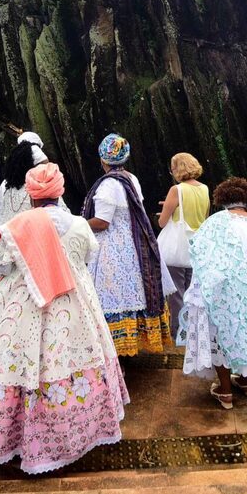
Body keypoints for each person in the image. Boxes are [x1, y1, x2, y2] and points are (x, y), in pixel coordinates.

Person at [0, 163, 129, 473]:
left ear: (31, 194)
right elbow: (86, 256)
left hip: (21, 308)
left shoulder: (16, 226)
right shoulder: (79, 225)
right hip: (73, 304)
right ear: (60, 192)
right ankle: (75, 435)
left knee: (23, 368)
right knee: (68, 363)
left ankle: (14, 440)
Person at [178, 178, 247, 409]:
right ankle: (246, 382)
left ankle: (225, 391)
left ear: (223, 199)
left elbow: (199, 255)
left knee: (220, 332)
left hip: (220, 288)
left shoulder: (213, 223)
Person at [81, 133, 172, 356]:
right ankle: (131, 343)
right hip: (133, 244)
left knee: (111, 294)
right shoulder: (131, 178)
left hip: (112, 249)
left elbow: (102, 222)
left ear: (103, 160)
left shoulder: (108, 185)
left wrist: (78, 223)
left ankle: (114, 352)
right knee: (134, 291)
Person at [156, 152, 210, 326]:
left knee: (176, 293)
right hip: (197, 245)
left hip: (176, 247)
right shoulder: (204, 188)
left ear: (178, 169)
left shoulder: (176, 190)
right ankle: (196, 328)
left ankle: (179, 331)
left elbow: (162, 222)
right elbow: (204, 216)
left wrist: (165, 213)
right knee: (193, 290)